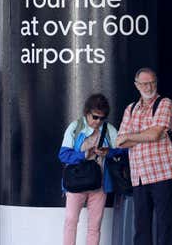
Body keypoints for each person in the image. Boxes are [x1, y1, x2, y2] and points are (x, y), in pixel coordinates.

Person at [116, 68, 172, 245]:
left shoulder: (165, 103)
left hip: (163, 172)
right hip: (139, 176)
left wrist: (130, 136)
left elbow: (155, 135)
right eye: (144, 83)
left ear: (156, 83)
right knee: (141, 227)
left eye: (151, 82)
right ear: (137, 86)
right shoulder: (130, 109)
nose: (148, 86)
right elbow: (119, 142)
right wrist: (140, 135)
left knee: (164, 224)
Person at [59, 93, 124, 245]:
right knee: (70, 222)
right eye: (95, 117)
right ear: (87, 113)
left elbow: (124, 150)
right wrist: (83, 155)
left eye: (102, 118)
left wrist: (109, 152)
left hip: (99, 184)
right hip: (76, 183)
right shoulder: (75, 127)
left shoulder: (109, 129)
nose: (98, 122)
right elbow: (63, 155)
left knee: (95, 226)